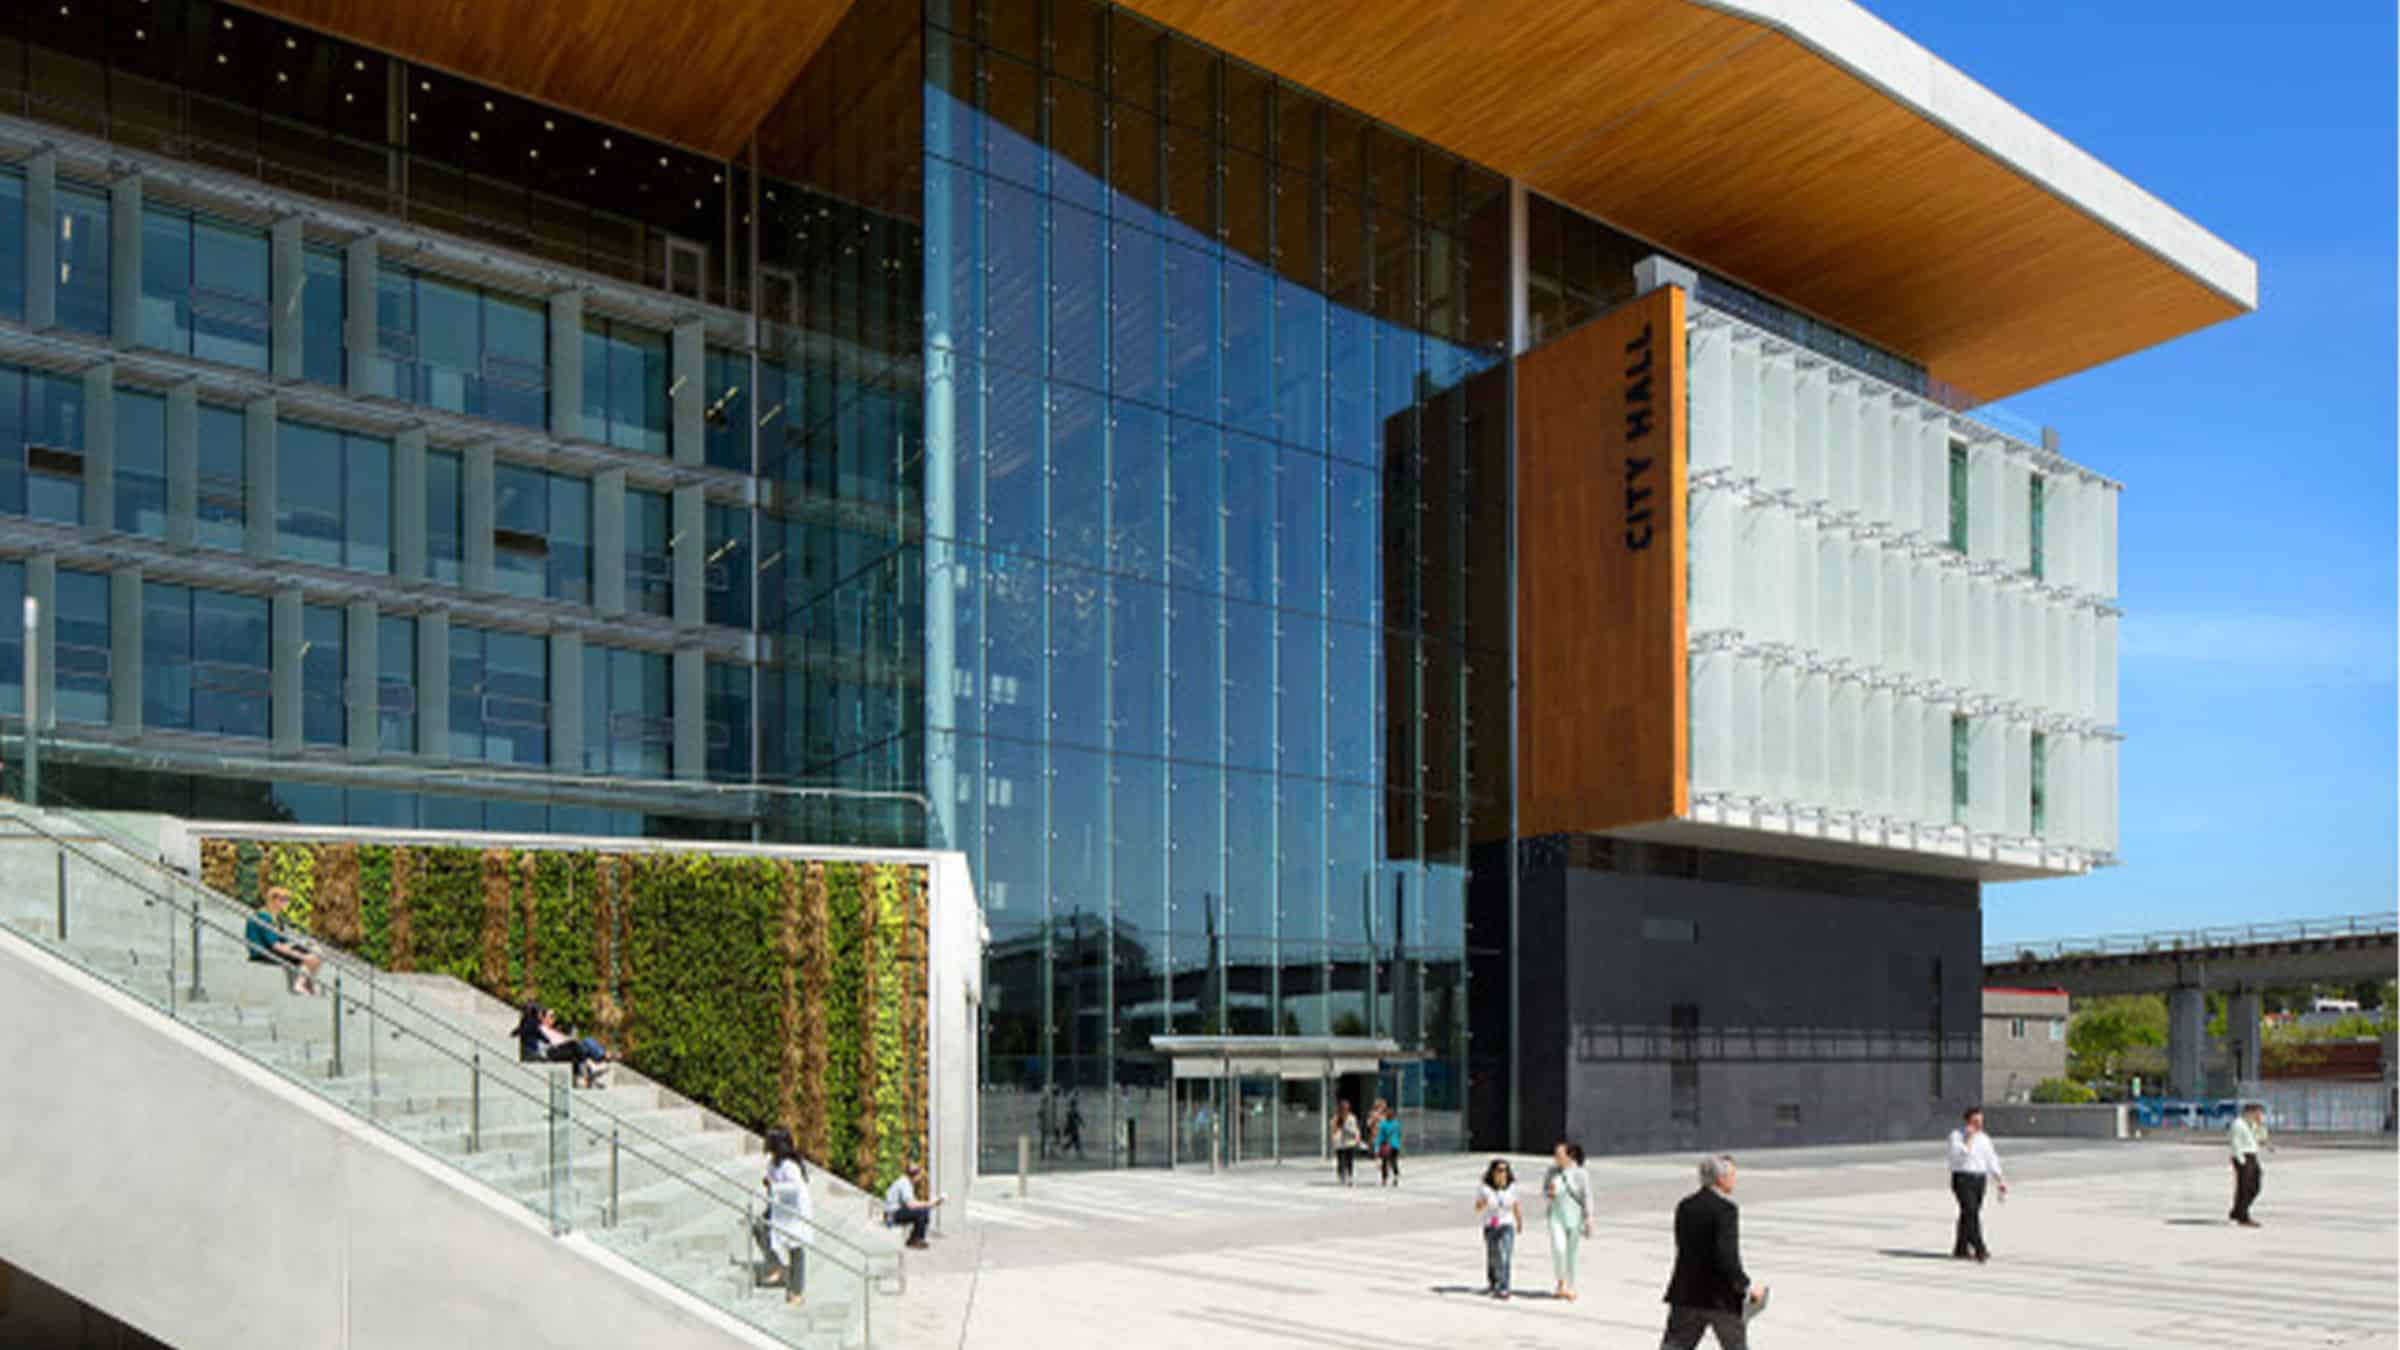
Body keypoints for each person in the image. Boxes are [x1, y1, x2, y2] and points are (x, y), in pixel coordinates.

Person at [1660, 1155, 1762, 1350]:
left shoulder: (1685, 1206)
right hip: (1720, 1297)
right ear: (1721, 1179)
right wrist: (1746, 1286)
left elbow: (1684, 1248)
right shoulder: (1726, 1210)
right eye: (1732, 1175)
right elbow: (1726, 1256)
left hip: (1686, 1293)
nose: (1734, 1180)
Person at [758, 1127, 813, 1306]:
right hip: (777, 1207)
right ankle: (776, 1266)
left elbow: (797, 1188)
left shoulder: (790, 1166)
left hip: (793, 1210)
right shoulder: (773, 1162)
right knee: (760, 1228)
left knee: (795, 1248)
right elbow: (771, 1179)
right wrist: (768, 1183)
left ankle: (797, 1291)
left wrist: (774, 1186)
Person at [1947, 1106, 2007, 1262]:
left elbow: (1991, 1159)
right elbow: (1959, 1156)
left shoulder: (1984, 1139)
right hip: (1962, 1178)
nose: (1979, 1125)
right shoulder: (1956, 1136)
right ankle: (1980, 1247)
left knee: (1968, 1214)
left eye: (1981, 1121)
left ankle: (1961, 1247)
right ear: (1968, 1121)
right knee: (1971, 1212)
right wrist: (1969, 1138)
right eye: (1975, 1121)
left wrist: (1999, 1179)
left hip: (1979, 1179)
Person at [245, 886, 323, 996]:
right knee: (310, 956)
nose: (287, 903)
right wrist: (302, 956)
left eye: (287, 900)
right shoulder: (263, 917)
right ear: (274, 900)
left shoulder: (277, 918)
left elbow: (283, 940)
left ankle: (307, 985)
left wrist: (302, 945)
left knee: (316, 951)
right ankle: (299, 985)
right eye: (284, 899)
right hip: (263, 952)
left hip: (273, 948)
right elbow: (274, 945)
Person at [514, 1002, 611, 1089]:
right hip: (547, 1052)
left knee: (581, 1045)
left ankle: (591, 1068)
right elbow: (550, 1042)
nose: (553, 1019)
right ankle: (594, 1065)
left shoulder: (535, 1026)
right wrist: (568, 1040)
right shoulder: (536, 1026)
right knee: (580, 1045)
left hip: (551, 1050)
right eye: (550, 1016)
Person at [1543, 1140, 1595, 1301]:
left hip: (1575, 1216)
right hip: (1556, 1215)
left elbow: (1587, 1196)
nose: (1556, 1158)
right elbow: (1545, 1191)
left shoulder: (1581, 1174)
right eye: (1555, 1154)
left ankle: (1570, 1286)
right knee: (1559, 1249)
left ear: (1570, 1156)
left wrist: (1589, 1218)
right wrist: (1549, 1193)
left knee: (1571, 1253)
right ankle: (1560, 1282)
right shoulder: (1552, 1172)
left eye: (1559, 1154)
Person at [1475, 1158, 1524, 1299]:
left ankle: (1504, 1287)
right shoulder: (1485, 1188)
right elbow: (1477, 1208)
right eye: (1499, 1170)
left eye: (1505, 1170)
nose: (1503, 1173)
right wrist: (1483, 1202)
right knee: (1493, 1256)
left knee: (1505, 1256)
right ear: (1493, 1172)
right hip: (1490, 1225)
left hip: (1507, 1224)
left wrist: (1519, 1221)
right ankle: (1493, 1282)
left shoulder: (1512, 1187)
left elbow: (1515, 1205)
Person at [884, 1160, 945, 1249]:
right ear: (915, 1175)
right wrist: (930, 1203)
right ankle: (915, 1240)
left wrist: (930, 1204)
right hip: (891, 1215)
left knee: (923, 1210)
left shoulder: (906, 1182)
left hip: (894, 1213)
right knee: (922, 1212)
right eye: (920, 1176)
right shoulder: (905, 1183)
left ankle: (915, 1239)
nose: (920, 1179)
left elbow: (913, 1203)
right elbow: (911, 1205)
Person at [2228, 1101, 2269, 1227]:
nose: (2259, 1116)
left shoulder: (2253, 1125)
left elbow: (2262, 1139)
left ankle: (2237, 1210)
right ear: (2249, 1112)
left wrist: (2260, 1126)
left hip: (2252, 1155)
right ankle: (2243, 1215)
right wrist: (2241, 1160)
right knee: (2244, 1187)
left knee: (2255, 1186)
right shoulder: (2238, 1124)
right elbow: (2235, 1142)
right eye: (2257, 1113)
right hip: (2243, 1156)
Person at [1331, 1101, 1363, 1186]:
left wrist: (1357, 1138)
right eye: (1343, 1108)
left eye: (1346, 1108)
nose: (1345, 1109)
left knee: (1350, 1160)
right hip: (1339, 1142)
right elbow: (1333, 1130)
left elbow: (1355, 1129)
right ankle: (1341, 1175)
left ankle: (1350, 1176)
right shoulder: (1336, 1118)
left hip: (1350, 1142)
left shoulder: (1352, 1118)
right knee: (1340, 1161)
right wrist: (1333, 1140)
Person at [1374, 1106, 1403, 1186]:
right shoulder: (1396, 1124)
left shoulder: (1383, 1124)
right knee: (1393, 1161)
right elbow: (1399, 1134)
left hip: (1386, 1145)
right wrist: (1399, 1145)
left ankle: (1385, 1179)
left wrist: (1377, 1146)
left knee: (1385, 1162)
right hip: (1395, 1145)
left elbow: (1380, 1136)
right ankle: (1395, 1176)